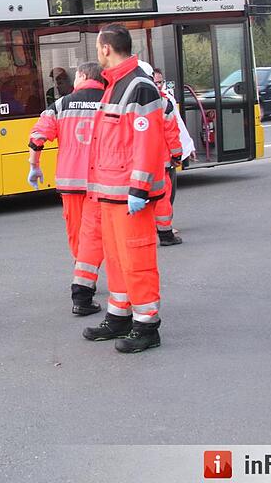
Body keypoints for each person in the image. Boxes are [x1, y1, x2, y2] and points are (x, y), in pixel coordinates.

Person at [82, 23, 168, 353]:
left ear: (106, 48)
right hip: (110, 192)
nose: (97, 53)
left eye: (97, 47)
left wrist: (139, 188)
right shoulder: (115, 85)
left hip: (128, 193)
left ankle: (147, 325)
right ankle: (119, 316)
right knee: (117, 260)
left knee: (137, 260)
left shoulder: (138, 86)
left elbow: (147, 142)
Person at [28, 61, 107, 316]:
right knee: (96, 234)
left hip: (70, 181)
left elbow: (37, 138)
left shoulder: (61, 105)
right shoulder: (110, 101)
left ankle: (81, 272)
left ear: (82, 76)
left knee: (76, 232)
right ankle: (86, 278)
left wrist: (34, 166)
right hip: (101, 181)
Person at [149, 66, 190, 246]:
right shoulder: (163, 103)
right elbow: (172, 133)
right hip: (161, 163)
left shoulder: (126, 101)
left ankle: (148, 230)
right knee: (162, 198)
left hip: (138, 164)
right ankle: (165, 235)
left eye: (160, 82)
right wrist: (177, 155)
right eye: (155, 82)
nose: (158, 86)